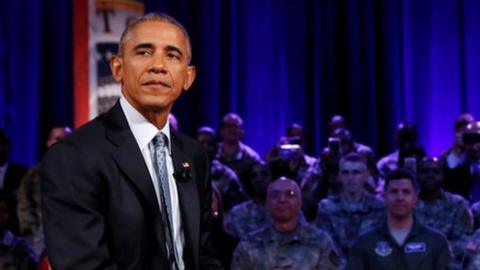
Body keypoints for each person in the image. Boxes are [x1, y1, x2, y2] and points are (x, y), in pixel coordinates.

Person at [41, 13, 222, 269]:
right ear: (117, 68)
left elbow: (204, 253)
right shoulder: (73, 157)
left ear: (188, 77)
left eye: (172, 55)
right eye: (144, 52)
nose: (158, 65)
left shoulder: (193, 155)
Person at [346, 169, 451, 270]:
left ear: (415, 197)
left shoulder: (436, 242)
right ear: (384, 196)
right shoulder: (365, 242)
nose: (400, 197)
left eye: (406, 192)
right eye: (394, 192)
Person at [231, 177, 340, 270]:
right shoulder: (249, 243)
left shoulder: (320, 242)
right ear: (267, 203)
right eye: (275, 195)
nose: (282, 199)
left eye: (290, 194)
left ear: (300, 202)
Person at [314, 153, 385, 257]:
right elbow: (327, 246)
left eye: (356, 173)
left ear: (366, 176)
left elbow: (380, 245)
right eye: (345, 173)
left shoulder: (379, 207)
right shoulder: (326, 207)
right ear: (339, 176)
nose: (350, 178)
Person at [17, 126, 72, 258]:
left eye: (66, 138)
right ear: (49, 142)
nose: (62, 142)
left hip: (72, 231)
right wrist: (32, 227)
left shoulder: (81, 172)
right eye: (57, 139)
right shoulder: (34, 173)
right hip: (41, 232)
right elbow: (24, 203)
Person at [414, 157, 472, 268]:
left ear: (443, 176)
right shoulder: (406, 204)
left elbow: (464, 241)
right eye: (424, 172)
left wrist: (434, 250)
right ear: (416, 176)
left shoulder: (458, 204)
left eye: (435, 171)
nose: (430, 175)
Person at [196, 126, 247, 211]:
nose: (205, 147)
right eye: (201, 143)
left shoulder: (227, 176)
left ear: (216, 148)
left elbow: (238, 208)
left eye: (210, 144)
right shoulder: (183, 171)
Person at [215, 113, 262, 196]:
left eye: (236, 126)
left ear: (242, 131)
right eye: (229, 126)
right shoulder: (212, 153)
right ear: (221, 131)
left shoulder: (251, 157)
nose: (232, 129)